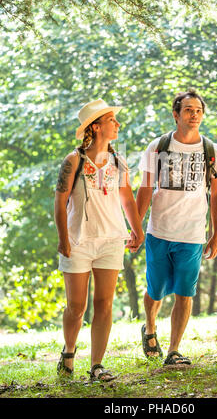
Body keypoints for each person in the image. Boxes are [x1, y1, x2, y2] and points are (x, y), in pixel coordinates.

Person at [54, 98, 144, 381]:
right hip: (78, 240)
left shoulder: (119, 161)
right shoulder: (74, 160)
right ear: (95, 126)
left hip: (111, 240)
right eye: (111, 120)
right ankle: (69, 352)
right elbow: (59, 201)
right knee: (77, 306)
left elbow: (127, 198)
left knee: (104, 304)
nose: (117, 124)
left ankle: (97, 366)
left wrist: (137, 229)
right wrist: (63, 237)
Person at [136, 88, 217, 366]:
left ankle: (174, 350)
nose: (194, 115)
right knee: (156, 290)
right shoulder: (158, 146)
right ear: (176, 115)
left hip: (192, 235)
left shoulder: (211, 150)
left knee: (185, 292)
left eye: (198, 111)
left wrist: (216, 233)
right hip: (159, 232)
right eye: (188, 110)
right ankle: (150, 328)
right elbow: (145, 188)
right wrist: (136, 230)